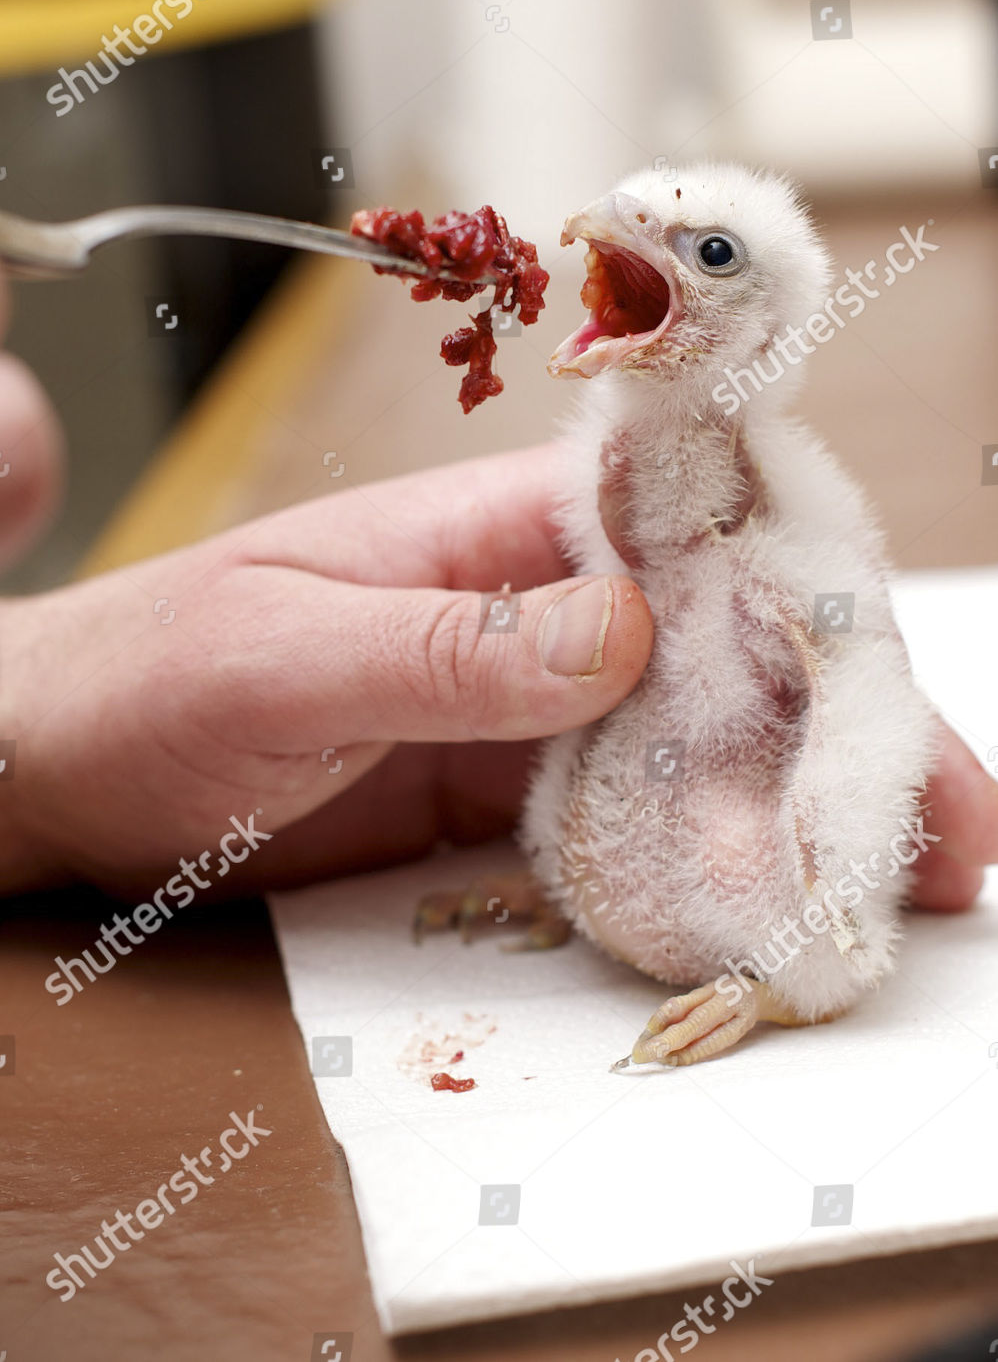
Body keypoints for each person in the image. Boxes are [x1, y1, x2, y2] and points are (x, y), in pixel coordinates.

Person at [0, 273, 994, 910]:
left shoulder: (781, 554)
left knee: (745, 849)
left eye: (713, 255)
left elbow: (854, 732)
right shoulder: (623, 516)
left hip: (743, 888)